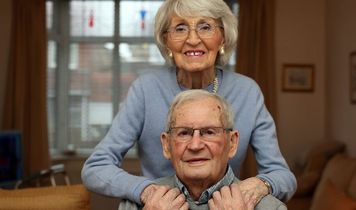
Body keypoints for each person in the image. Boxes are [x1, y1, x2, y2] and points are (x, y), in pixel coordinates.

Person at [81, 0, 296, 206]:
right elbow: (95, 168)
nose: (193, 39)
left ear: (222, 37)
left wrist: (261, 184)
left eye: (205, 27)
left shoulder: (247, 92)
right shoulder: (145, 90)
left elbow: (283, 176)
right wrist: (147, 190)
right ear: (166, 41)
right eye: (180, 28)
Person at [119, 90, 287, 210]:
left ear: (232, 143)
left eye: (209, 132)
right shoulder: (138, 204)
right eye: (184, 133)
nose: (195, 145)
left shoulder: (269, 206)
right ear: (166, 145)